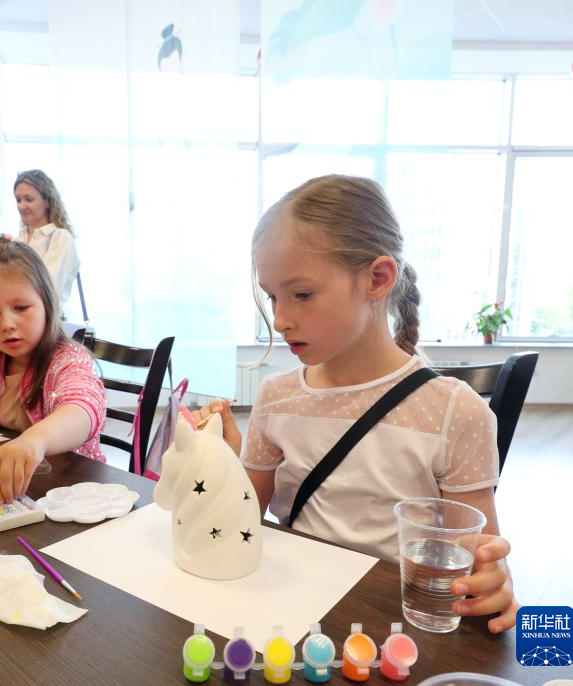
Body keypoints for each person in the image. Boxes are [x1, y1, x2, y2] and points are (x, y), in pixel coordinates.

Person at [199, 175, 518, 633]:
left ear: (378, 279)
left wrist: (491, 581)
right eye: (272, 297)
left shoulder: (454, 411)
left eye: (302, 294)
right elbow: (242, 518)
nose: (280, 319)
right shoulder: (277, 396)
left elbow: (479, 553)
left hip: (394, 624)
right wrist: (218, 461)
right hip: (286, 614)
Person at [0, 241, 106, 504]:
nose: (7, 324)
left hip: (74, 496)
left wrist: (34, 441)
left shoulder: (68, 361)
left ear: (47, 303)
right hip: (17, 494)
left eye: (20, 308)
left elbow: (82, 409)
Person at [0, 170, 81, 312]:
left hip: (47, 319)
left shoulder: (60, 237)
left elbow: (48, 287)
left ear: (47, 201)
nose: (21, 206)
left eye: (28, 199)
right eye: (18, 200)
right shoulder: (18, 240)